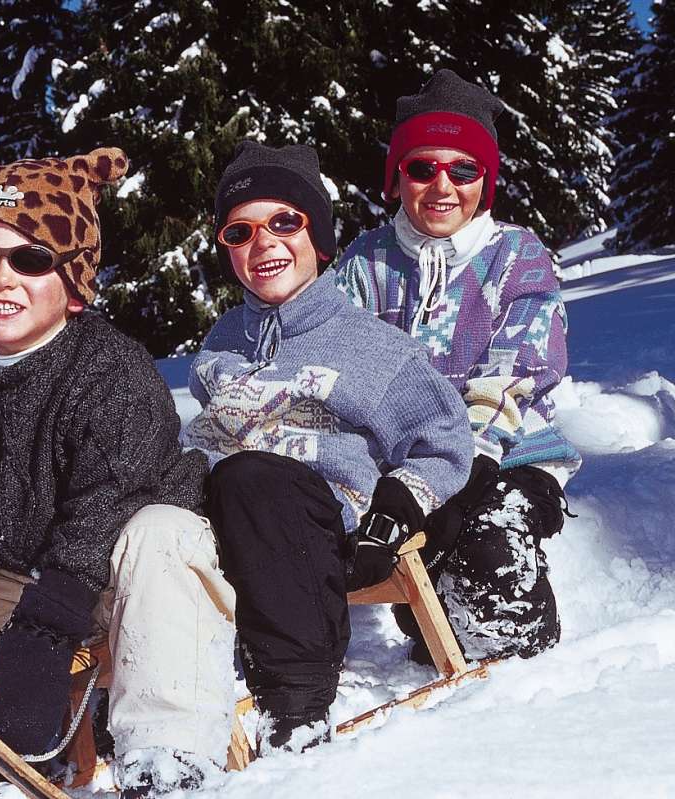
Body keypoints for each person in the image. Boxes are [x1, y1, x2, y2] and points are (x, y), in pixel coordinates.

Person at [0, 146, 236, 799]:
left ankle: (168, 751)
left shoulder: (111, 367)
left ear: (76, 278)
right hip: (29, 576)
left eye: (30, 259)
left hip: (132, 578)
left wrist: (44, 628)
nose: (2, 278)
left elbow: (107, 507)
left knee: (162, 529)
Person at [182, 141, 473, 753]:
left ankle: (294, 699)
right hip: (229, 519)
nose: (264, 244)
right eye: (241, 231)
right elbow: (204, 437)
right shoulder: (220, 344)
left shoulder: (370, 346)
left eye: (285, 222)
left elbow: (444, 440)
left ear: (319, 239)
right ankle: (139, 701)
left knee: (252, 478)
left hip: (321, 522)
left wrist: (395, 510)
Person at [335, 69, 582, 665]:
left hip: (505, 455)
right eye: (423, 168)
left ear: (485, 180)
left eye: (463, 170)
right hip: (396, 469)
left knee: (489, 555)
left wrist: (453, 475)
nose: (442, 186)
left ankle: (523, 665)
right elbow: (339, 370)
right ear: (397, 178)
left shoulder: (518, 258)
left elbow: (515, 376)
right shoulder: (364, 265)